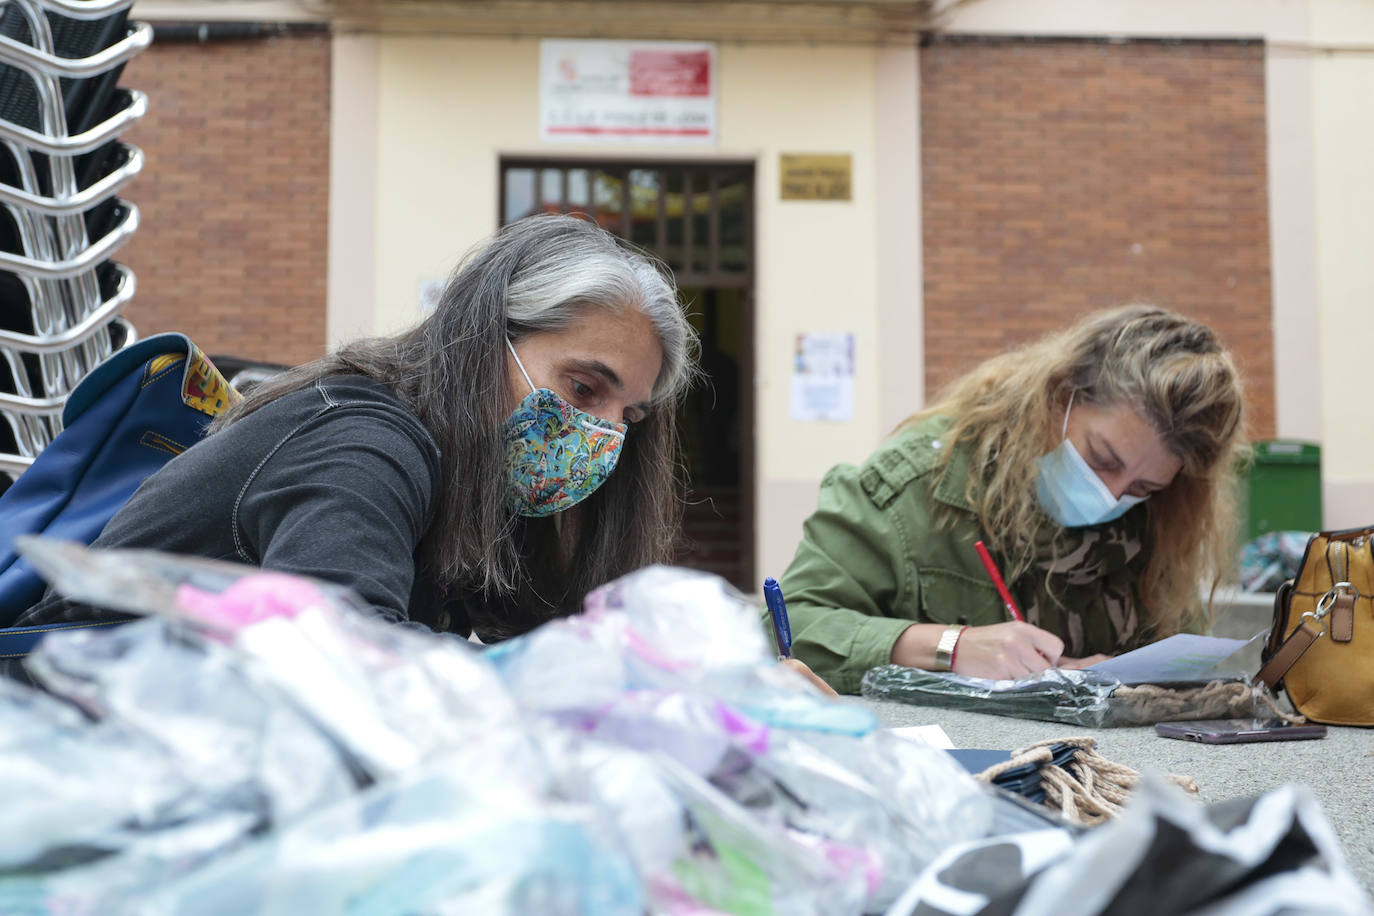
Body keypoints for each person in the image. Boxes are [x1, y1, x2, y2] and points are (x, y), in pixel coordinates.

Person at [14, 214, 699, 642]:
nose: (603, 437)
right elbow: (349, 654)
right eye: (583, 389)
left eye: (627, 417)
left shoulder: (464, 477)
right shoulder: (361, 442)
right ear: (485, 342)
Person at [779, 305, 1246, 695]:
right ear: (1059, 396)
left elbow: (1181, 664)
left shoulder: (1163, 522)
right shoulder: (918, 484)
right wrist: (950, 648)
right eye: (1102, 459)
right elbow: (785, 628)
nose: (1111, 495)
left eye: (1143, 488)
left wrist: (1121, 682)